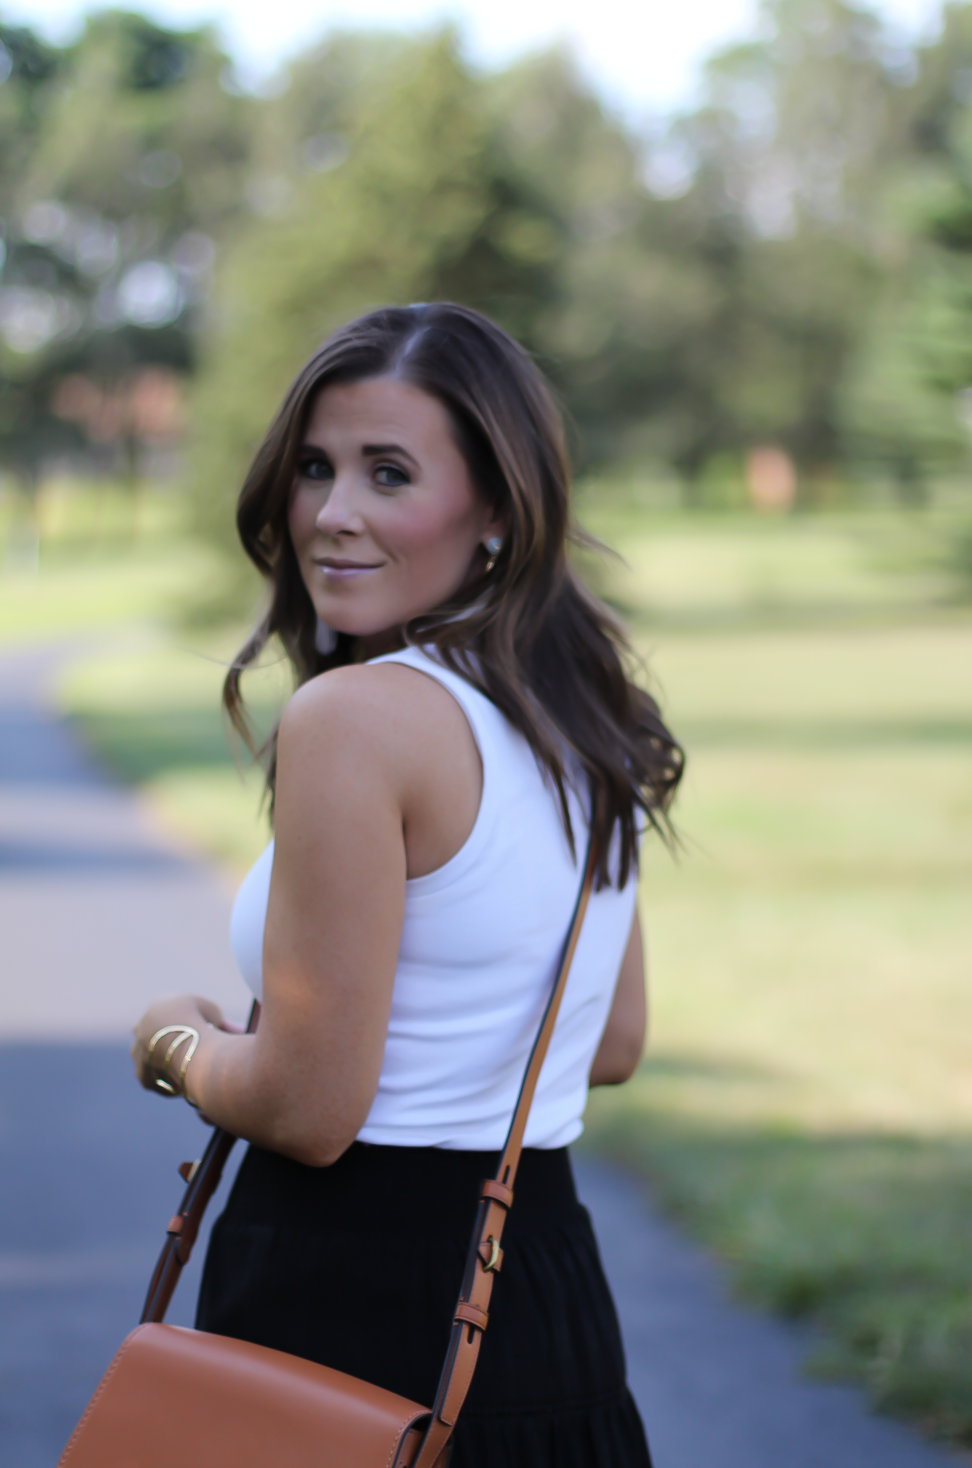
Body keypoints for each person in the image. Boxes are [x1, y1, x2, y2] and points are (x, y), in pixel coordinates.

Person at [131, 302, 682, 1467]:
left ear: (494, 505)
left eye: (390, 473)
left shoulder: (357, 718)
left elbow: (307, 1111)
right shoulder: (582, 711)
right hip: (543, 1289)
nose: (333, 514)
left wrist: (174, 1041)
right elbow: (613, 1039)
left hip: (344, 1302)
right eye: (315, 468)